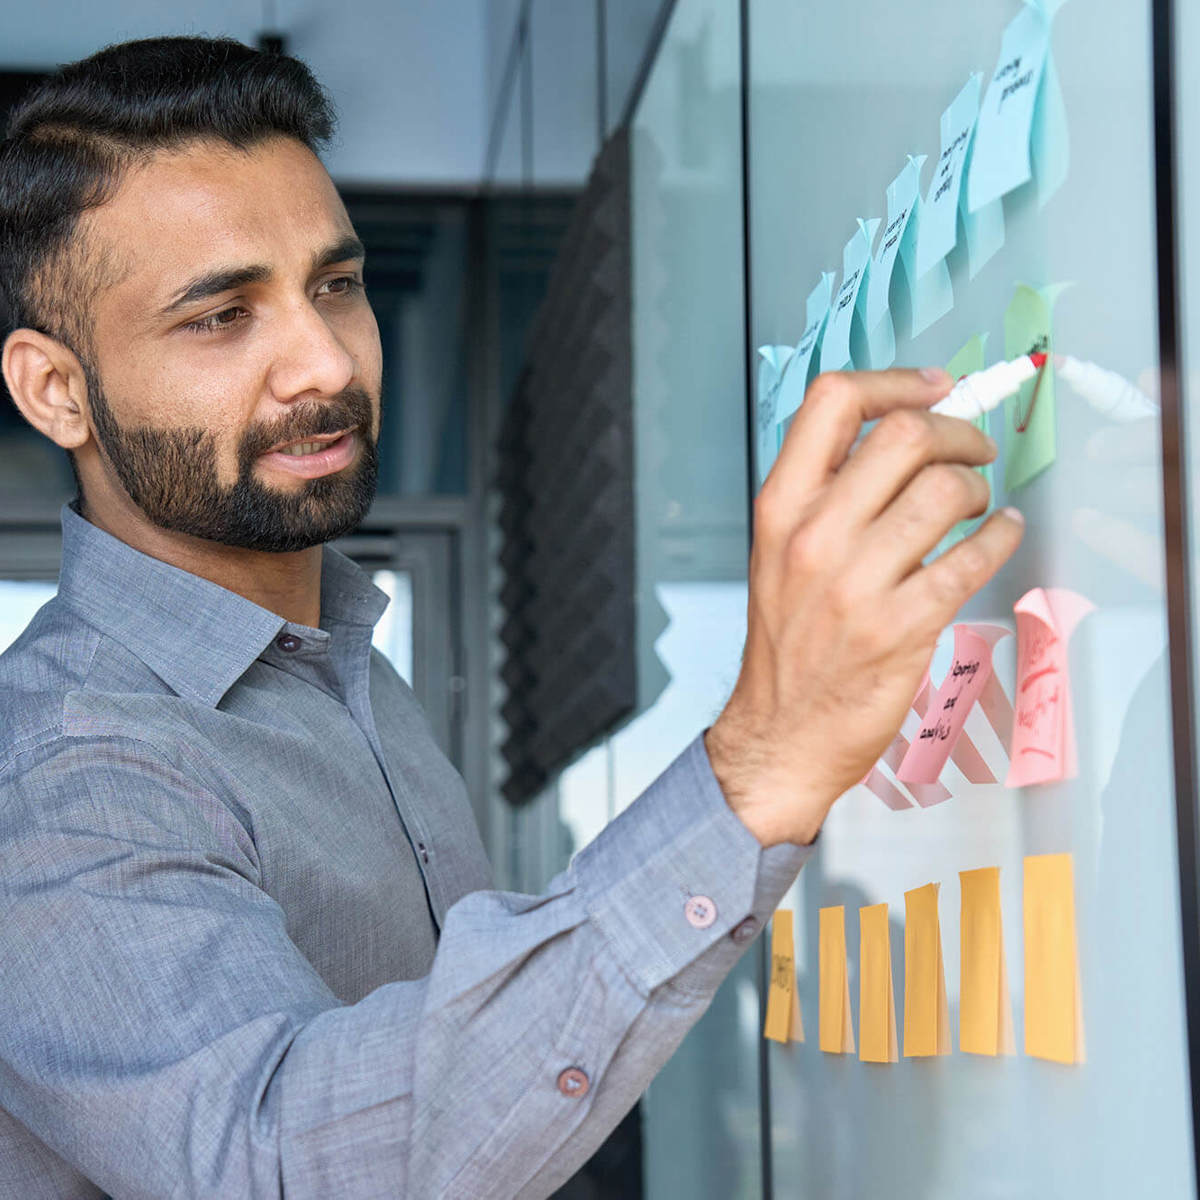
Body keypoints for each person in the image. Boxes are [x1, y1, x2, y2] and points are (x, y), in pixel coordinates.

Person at [0, 35, 1023, 1200]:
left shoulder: (343, 672)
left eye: (335, 285)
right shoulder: (62, 765)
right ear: (55, 389)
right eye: (222, 317)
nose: (325, 362)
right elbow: (284, 1168)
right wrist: (760, 767)